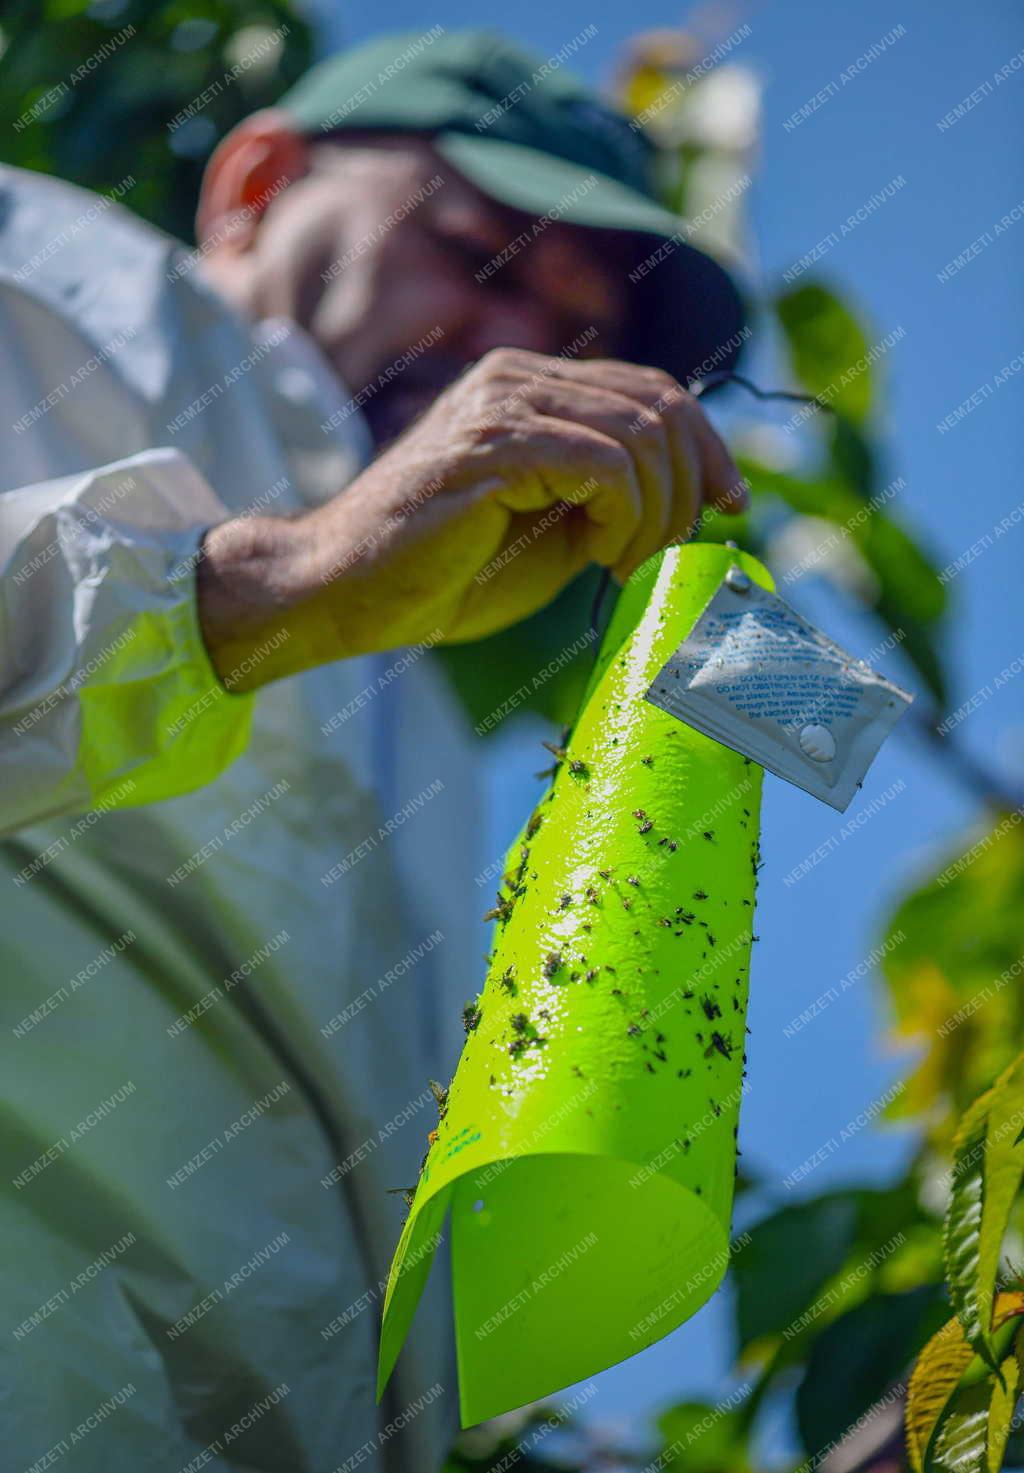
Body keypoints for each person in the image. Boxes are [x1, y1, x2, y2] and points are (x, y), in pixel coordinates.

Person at [0, 28, 748, 1473]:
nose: (517, 346)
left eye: (582, 336)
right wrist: (270, 585)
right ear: (260, 184)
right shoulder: (37, 279)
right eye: (479, 259)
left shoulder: (439, 758)